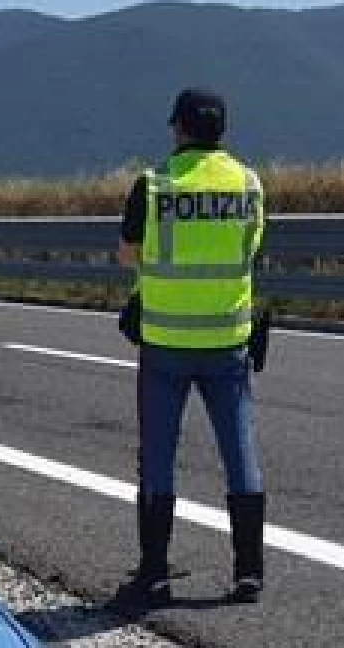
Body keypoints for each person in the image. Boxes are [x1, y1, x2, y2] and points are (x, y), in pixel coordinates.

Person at [116, 87, 268, 605]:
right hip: (228, 339)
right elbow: (251, 247)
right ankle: (248, 572)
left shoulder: (153, 185)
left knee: (158, 457)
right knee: (239, 450)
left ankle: (153, 572)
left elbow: (127, 254)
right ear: (221, 130)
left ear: (179, 128)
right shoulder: (249, 183)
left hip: (164, 343)